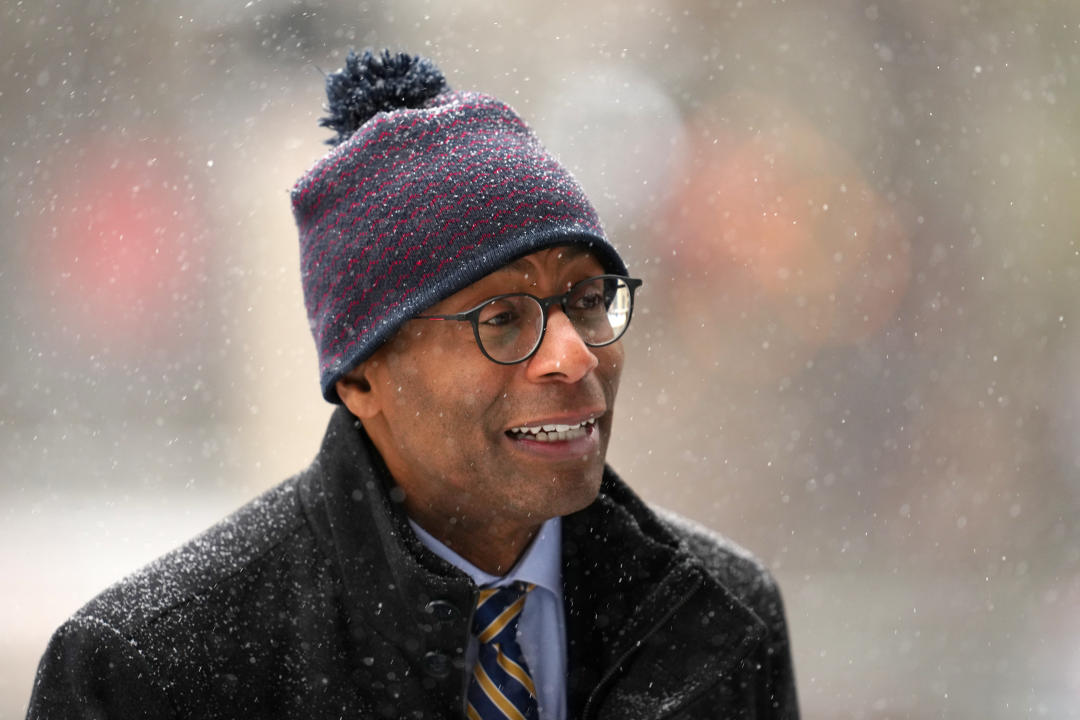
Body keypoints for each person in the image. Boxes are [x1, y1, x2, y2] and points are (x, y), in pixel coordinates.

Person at [27, 50, 799, 719]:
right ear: (362, 376)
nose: (573, 355)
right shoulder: (149, 670)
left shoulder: (716, 618)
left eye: (589, 300)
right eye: (502, 318)